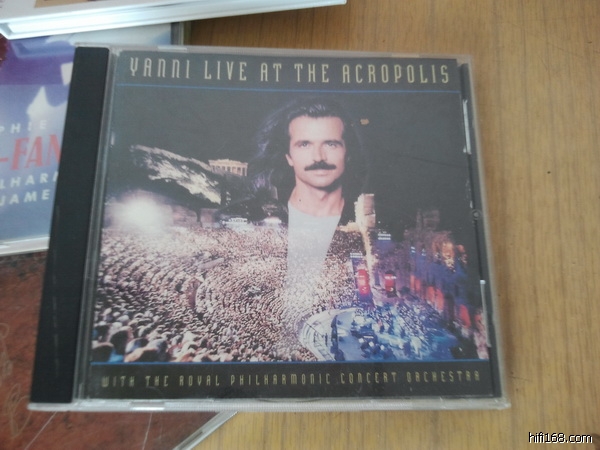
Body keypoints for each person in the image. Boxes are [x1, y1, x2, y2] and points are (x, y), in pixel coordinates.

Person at [248, 97, 369, 342]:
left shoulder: (358, 226)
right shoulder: (264, 220)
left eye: (331, 144)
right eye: (304, 144)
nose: (318, 156)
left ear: (347, 152)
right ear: (288, 155)